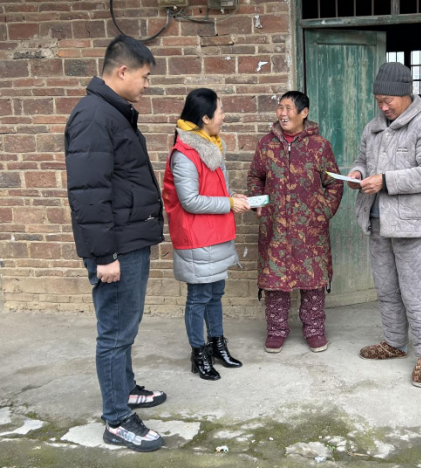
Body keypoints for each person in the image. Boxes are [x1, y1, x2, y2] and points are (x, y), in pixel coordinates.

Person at [65, 35, 167, 452]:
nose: (146, 85)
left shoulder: (112, 112)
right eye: (144, 76)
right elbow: (88, 193)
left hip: (128, 238)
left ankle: (124, 389)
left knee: (125, 326)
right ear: (122, 71)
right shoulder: (94, 116)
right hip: (116, 247)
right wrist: (104, 255)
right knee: (114, 332)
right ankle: (117, 420)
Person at [346, 62, 421, 388]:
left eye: (388, 100)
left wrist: (386, 181)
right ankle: (394, 343)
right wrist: (358, 173)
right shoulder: (373, 127)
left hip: (414, 226)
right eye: (378, 100)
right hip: (377, 222)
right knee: (387, 289)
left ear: (406, 94)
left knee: (417, 293)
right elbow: (363, 160)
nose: (383, 107)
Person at [163, 89, 250, 382]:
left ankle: (217, 344)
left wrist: (235, 197)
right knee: (199, 296)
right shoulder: (184, 154)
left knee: (215, 293)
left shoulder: (212, 145)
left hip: (216, 233)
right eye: (220, 110)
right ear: (205, 117)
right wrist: (228, 203)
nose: (224, 116)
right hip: (196, 237)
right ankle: (198, 353)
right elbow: (190, 201)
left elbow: (218, 189)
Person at [247, 91, 344, 354]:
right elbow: (255, 177)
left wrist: (323, 212)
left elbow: (334, 183)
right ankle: (276, 330)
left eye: (289, 108)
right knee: (275, 280)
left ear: (304, 113)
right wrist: (258, 203)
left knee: (313, 280)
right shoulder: (266, 144)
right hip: (275, 226)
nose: (283, 113)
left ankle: (314, 329)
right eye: (280, 108)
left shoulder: (319, 146)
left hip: (310, 229)